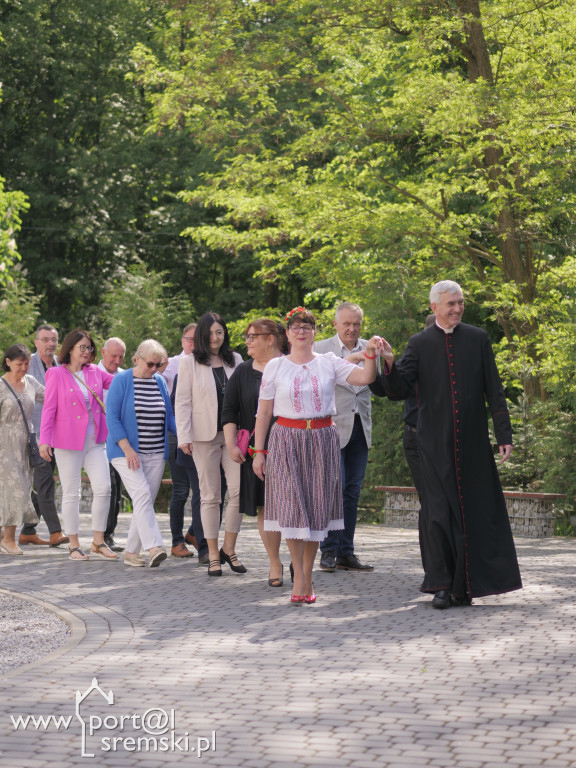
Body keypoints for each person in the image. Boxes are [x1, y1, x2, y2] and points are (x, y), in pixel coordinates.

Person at [374, 280, 522, 609]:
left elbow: (494, 389)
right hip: (433, 444)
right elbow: (397, 390)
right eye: (450, 304)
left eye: (460, 303)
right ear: (434, 308)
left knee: (474, 512)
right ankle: (442, 584)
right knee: (438, 514)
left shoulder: (478, 338)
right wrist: (387, 362)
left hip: (472, 443)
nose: (456, 308)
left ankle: (468, 585)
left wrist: (504, 435)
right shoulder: (420, 342)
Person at [253, 307, 383, 605]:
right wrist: (259, 452)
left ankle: (306, 575)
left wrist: (372, 354)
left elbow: (364, 377)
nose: (301, 331)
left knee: (314, 510)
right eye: (296, 327)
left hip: (322, 438)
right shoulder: (275, 367)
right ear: (287, 334)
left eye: (307, 326)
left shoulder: (328, 362)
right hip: (286, 438)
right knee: (292, 508)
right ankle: (299, 574)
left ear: (314, 332)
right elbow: (263, 414)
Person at [39, 329, 117, 562]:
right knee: (71, 493)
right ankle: (74, 545)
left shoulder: (95, 372)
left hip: (95, 440)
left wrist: (145, 368)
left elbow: (120, 382)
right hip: (67, 441)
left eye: (89, 348)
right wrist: (45, 440)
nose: (86, 352)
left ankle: (98, 541)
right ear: (70, 348)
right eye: (82, 347)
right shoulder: (56, 373)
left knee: (104, 488)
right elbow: (49, 409)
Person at [176, 312, 244, 577]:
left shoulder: (235, 359)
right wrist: (184, 437)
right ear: (202, 335)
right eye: (211, 333)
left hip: (233, 436)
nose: (216, 338)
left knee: (238, 492)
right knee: (210, 496)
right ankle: (213, 554)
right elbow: (182, 402)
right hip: (203, 436)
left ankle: (230, 548)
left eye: (220, 332)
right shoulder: (189, 363)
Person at [222, 319, 289, 586]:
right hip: (256, 449)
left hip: (291, 444)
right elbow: (229, 410)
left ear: (270, 339)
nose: (247, 341)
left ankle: (300, 560)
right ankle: (275, 562)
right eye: (247, 336)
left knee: (293, 506)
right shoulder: (242, 372)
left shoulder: (291, 366)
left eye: (253, 336)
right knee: (264, 507)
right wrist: (230, 444)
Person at [314, 302, 375, 572]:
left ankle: (346, 552)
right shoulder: (320, 350)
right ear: (336, 324)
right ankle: (328, 550)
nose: (352, 329)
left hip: (361, 427)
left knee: (352, 492)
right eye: (347, 324)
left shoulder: (370, 348)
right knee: (332, 490)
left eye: (357, 324)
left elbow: (376, 384)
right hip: (331, 428)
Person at [106, 339, 176, 568]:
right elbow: (112, 418)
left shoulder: (159, 382)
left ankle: (131, 552)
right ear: (137, 359)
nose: (154, 369)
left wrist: (187, 435)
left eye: (159, 365)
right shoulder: (122, 380)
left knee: (144, 500)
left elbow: (169, 417)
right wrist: (128, 450)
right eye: (150, 364)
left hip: (156, 452)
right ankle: (154, 546)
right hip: (124, 452)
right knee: (143, 495)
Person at [18, 324, 68, 548]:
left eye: (54, 340)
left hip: (61, 435)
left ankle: (28, 531)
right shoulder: (26, 366)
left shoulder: (64, 366)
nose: (51, 344)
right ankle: (56, 532)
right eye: (46, 339)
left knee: (42, 483)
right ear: (36, 342)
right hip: (34, 436)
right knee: (45, 481)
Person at [160, 323, 207, 561]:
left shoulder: (207, 362)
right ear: (182, 341)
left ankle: (194, 533)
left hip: (201, 433)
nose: (193, 344)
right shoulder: (170, 364)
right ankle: (177, 541)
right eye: (189, 339)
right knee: (180, 489)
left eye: (197, 339)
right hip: (174, 432)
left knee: (203, 489)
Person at [0, 344, 45, 555]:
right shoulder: (0, 385)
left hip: (25, 445)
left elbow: (51, 399)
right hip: (3, 445)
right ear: (8, 362)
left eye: (27, 363)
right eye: (20, 363)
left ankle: (3, 534)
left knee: (23, 487)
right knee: (14, 490)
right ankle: (9, 539)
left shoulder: (31, 383)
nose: (24, 367)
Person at [98, 337, 127, 552]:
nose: (116, 361)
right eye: (113, 356)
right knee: (106, 488)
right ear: (102, 352)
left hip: (119, 442)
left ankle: (109, 534)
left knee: (116, 489)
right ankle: (101, 534)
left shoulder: (125, 376)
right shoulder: (91, 374)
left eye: (120, 357)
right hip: (97, 441)